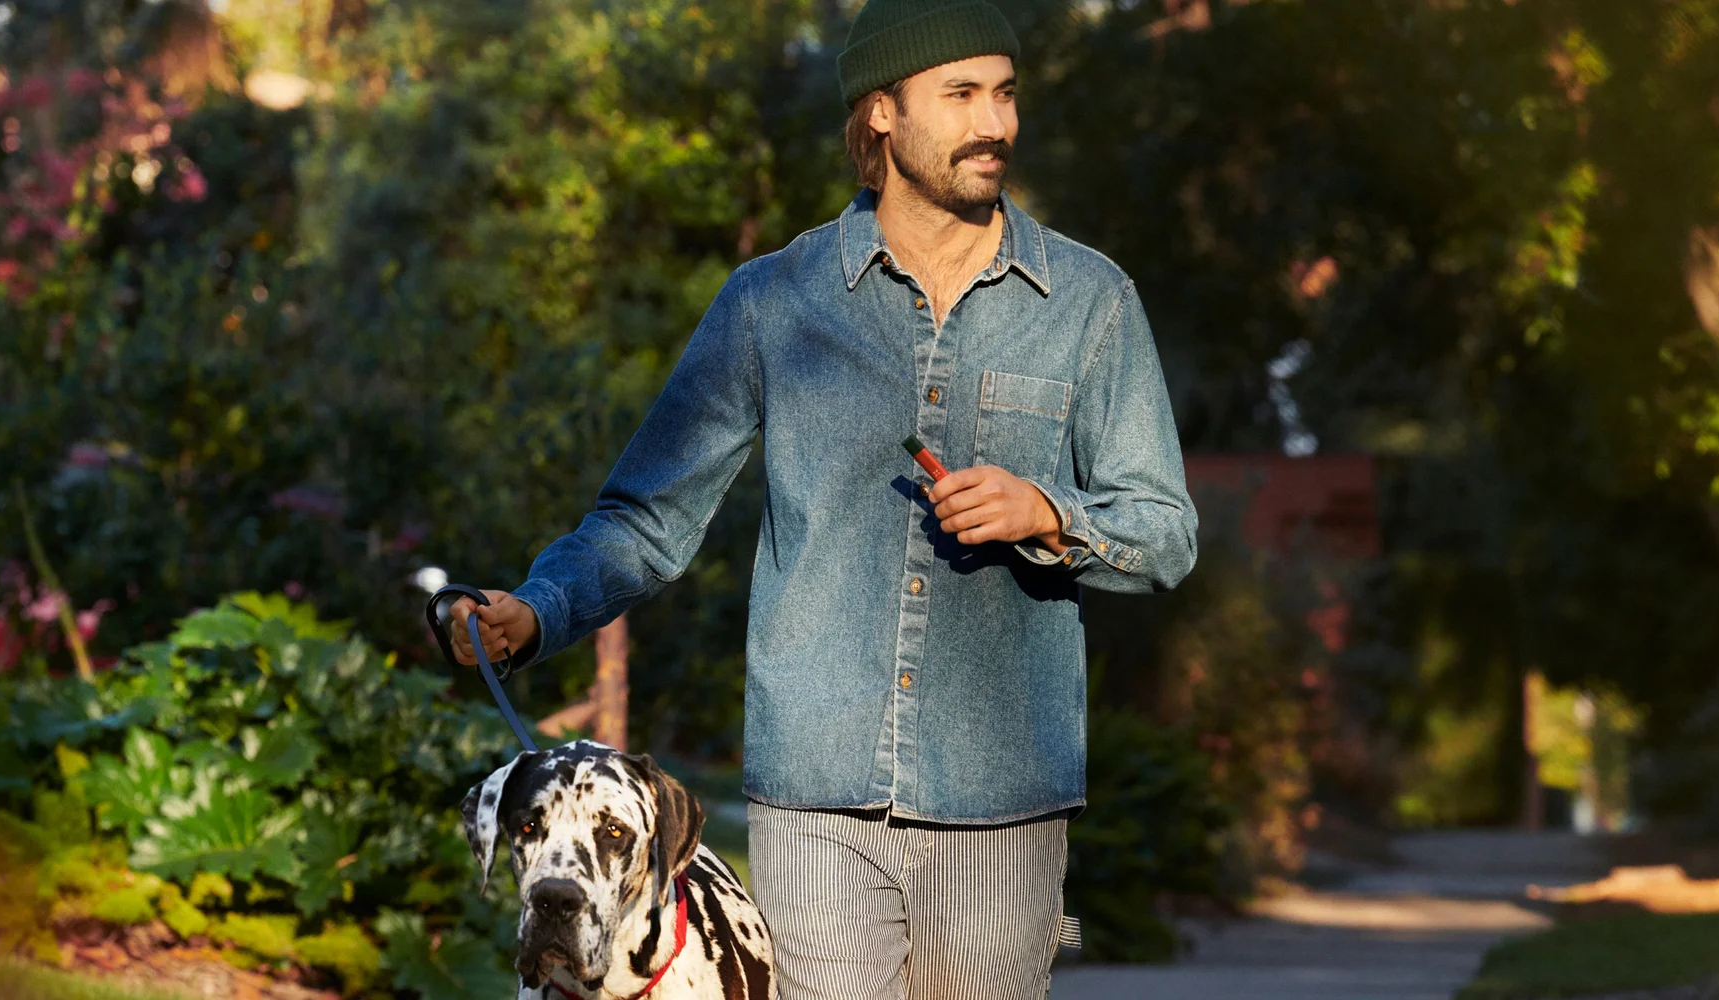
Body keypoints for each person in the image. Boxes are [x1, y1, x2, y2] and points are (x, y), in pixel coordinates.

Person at [446, 0, 1198, 995]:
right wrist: (534, 611)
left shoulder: (1090, 303)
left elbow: (1164, 531)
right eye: (961, 94)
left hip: (1002, 804)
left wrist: (1050, 516)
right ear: (881, 113)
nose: (997, 123)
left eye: (1005, 92)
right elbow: (648, 515)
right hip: (815, 798)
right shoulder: (770, 302)